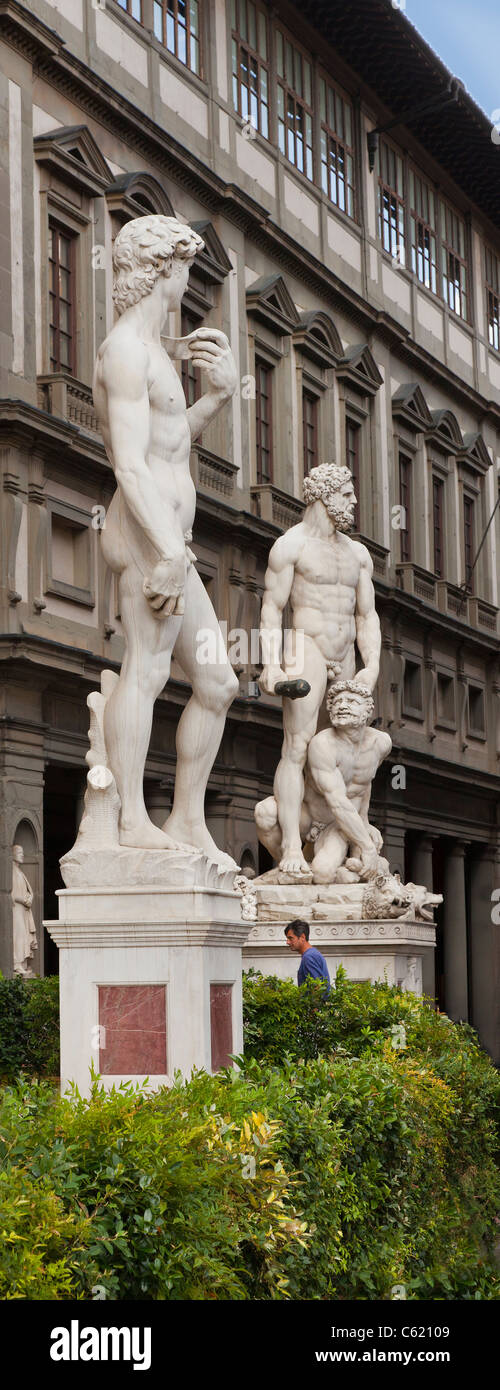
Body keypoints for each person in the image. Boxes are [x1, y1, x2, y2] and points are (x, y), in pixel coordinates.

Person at [93, 214, 239, 863]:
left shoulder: (156, 351)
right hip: (151, 539)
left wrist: (220, 396)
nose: (190, 279)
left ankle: (184, 819)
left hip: (176, 545)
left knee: (217, 683)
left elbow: (171, 446)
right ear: (163, 269)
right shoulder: (124, 350)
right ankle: (127, 819)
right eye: (185, 266)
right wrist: (169, 552)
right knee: (146, 672)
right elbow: (129, 464)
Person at [258, 461, 381, 879]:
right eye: (346, 493)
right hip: (304, 648)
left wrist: (373, 667)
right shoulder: (290, 546)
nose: (353, 501)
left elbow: (368, 617)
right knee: (297, 746)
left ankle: (341, 834)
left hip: (345, 654)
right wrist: (271, 664)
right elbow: (273, 609)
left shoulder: (358, 554)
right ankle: (292, 844)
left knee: (348, 745)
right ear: (325, 495)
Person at [284, 919, 330, 992]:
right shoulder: (312, 954)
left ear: (302, 937)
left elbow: (317, 989)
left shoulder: (309, 957)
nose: (287, 942)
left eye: (290, 938)